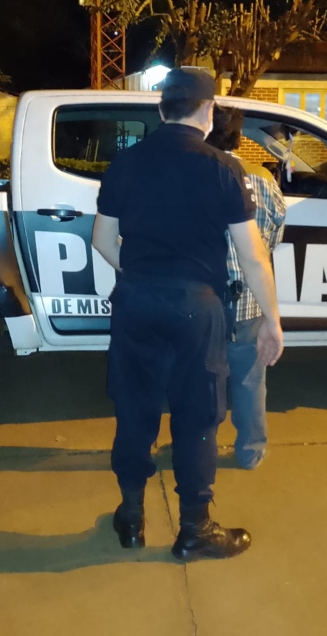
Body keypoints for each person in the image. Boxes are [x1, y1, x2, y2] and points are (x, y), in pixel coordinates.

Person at [91, 68, 284, 562]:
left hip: (136, 300)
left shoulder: (125, 163)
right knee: (197, 416)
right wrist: (272, 318)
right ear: (208, 111)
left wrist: (141, 275)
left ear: (161, 109)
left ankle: (131, 517)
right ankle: (194, 530)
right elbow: (252, 255)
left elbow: (102, 241)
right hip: (197, 306)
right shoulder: (223, 168)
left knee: (134, 409)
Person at [205, 106, 287, 470]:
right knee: (250, 381)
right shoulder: (263, 179)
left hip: (202, 301)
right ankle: (251, 451)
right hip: (249, 301)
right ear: (238, 137)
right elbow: (273, 237)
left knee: (201, 381)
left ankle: (200, 448)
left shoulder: (193, 173)